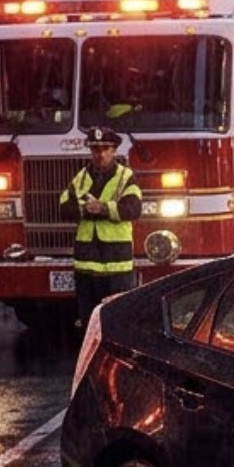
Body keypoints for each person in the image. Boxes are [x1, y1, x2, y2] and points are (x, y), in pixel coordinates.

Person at [59, 126, 143, 328]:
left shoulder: (125, 177)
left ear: (114, 150)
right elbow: (64, 207)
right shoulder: (81, 178)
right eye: (96, 149)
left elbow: (133, 208)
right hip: (86, 266)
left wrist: (103, 208)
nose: (100, 154)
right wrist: (86, 208)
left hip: (117, 266)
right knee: (90, 324)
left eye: (106, 148)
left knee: (117, 322)